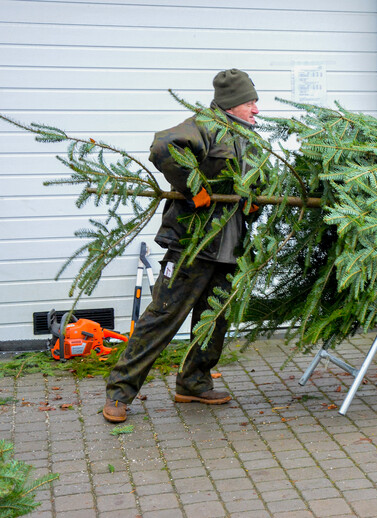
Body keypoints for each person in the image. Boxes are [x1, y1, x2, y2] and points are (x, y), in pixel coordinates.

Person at [103, 69, 260, 423]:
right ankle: (120, 392)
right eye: (251, 101)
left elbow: (253, 178)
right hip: (193, 246)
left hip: (231, 246)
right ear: (233, 103)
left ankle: (193, 383)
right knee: (163, 317)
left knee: (213, 319)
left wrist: (254, 199)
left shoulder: (248, 137)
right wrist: (192, 185)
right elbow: (163, 147)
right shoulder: (203, 126)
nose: (256, 109)